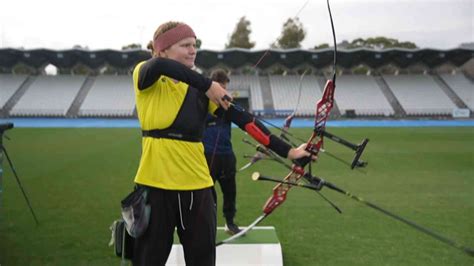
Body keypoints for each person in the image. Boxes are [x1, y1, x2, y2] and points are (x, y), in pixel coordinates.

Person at [131, 21, 313, 266]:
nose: (192, 50)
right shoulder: (147, 75)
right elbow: (158, 66)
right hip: (155, 186)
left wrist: (290, 151)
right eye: (185, 45)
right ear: (162, 49)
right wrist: (207, 84)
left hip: (197, 189)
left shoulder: (202, 92)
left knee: (203, 260)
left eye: (194, 45)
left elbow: (245, 120)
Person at [202, 69, 241, 235]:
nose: (223, 92)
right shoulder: (202, 103)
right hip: (207, 156)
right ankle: (207, 226)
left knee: (230, 192)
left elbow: (244, 120)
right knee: (207, 196)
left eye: (225, 89)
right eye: (221, 88)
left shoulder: (229, 106)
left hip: (226, 155)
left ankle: (230, 223)